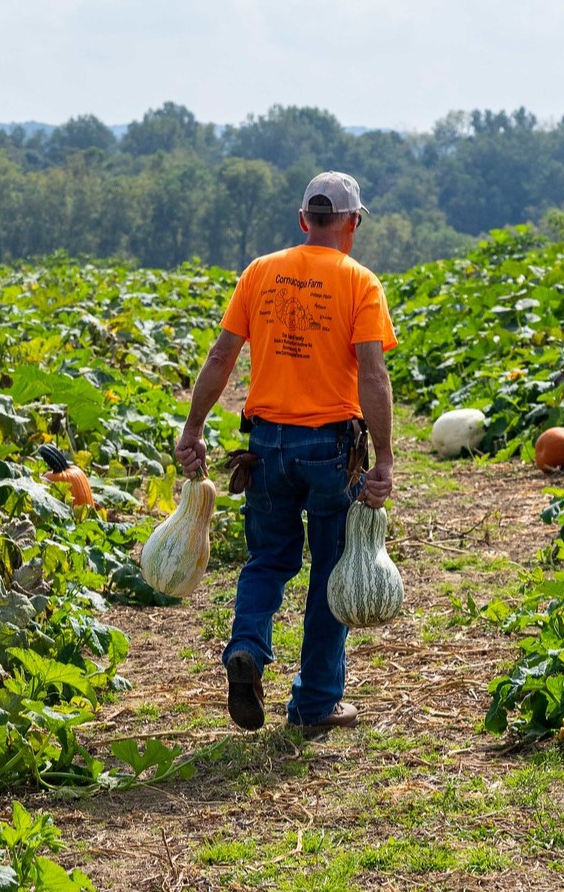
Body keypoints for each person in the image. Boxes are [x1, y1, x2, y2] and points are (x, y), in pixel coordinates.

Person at [174, 170, 397, 733]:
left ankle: (246, 646)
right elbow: (372, 376)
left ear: (304, 220)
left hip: (266, 443)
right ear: (352, 223)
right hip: (330, 447)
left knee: (268, 560)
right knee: (330, 569)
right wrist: (385, 458)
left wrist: (194, 427)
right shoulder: (360, 282)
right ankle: (316, 702)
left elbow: (222, 356)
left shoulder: (260, 272)